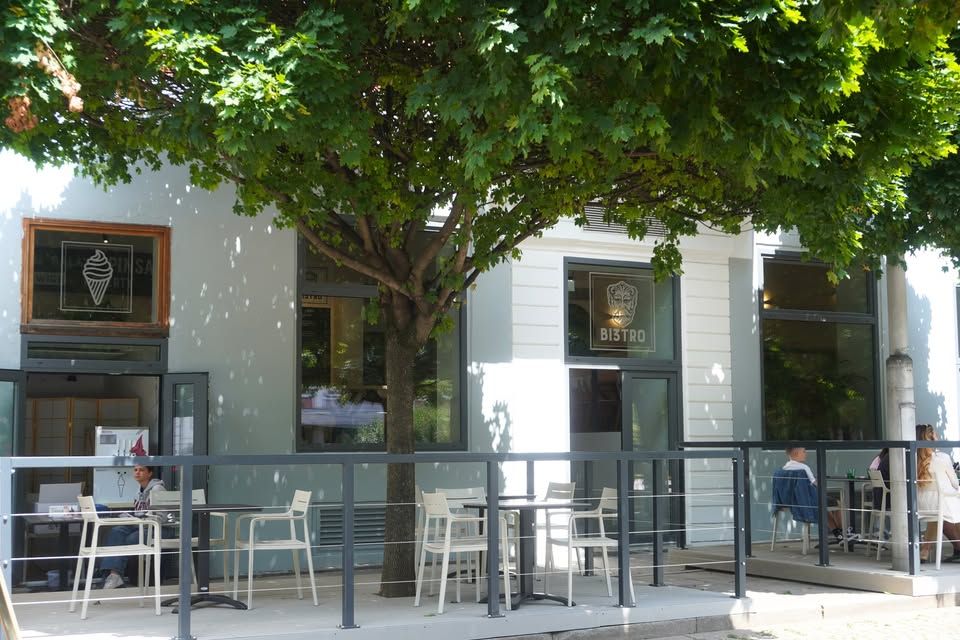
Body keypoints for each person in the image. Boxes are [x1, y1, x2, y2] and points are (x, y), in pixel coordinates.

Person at [100, 464, 165, 588]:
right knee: (116, 531)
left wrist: (140, 518)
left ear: (150, 473)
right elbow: (139, 513)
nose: (137, 472)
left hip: (157, 528)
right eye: (135, 470)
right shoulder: (138, 491)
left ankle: (115, 576)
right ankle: (113, 575)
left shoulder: (157, 489)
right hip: (142, 525)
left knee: (131, 539)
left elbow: (161, 517)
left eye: (141, 470)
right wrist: (131, 517)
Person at [782, 447, 850, 544]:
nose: (806, 453)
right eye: (804, 451)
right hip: (809, 501)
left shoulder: (784, 468)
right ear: (796, 453)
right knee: (837, 503)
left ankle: (839, 535)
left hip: (794, 501)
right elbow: (815, 484)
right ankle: (844, 534)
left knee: (825, 509)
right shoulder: (803, 468)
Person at [916, 424, 960, 563]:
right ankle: (958, 547)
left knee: (938, 513)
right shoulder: (942, 458)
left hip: (920, 504)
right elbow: (955, 483)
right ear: (932, 438)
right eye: (936, 434)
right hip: (941, 504)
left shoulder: (912, 459)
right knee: (948, 504)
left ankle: (925, 550)